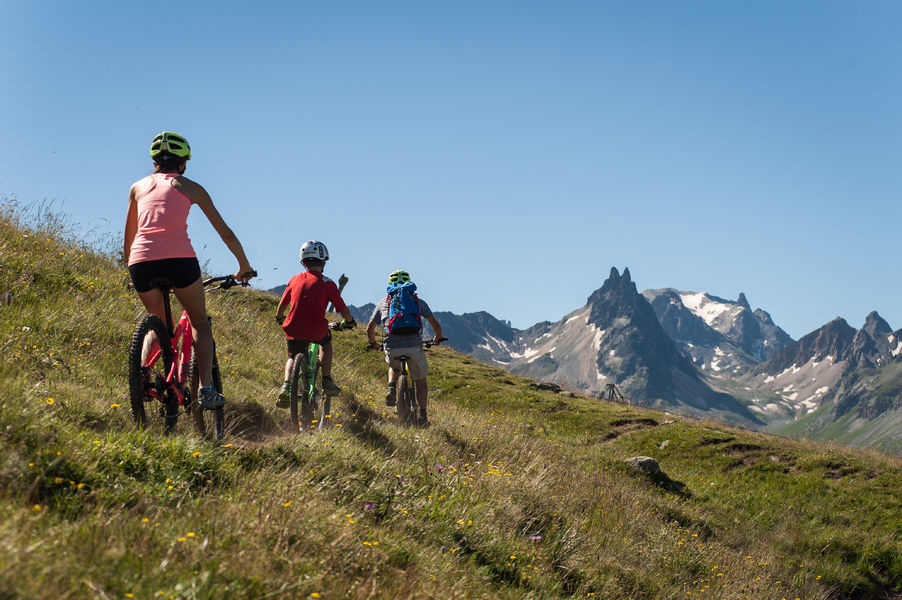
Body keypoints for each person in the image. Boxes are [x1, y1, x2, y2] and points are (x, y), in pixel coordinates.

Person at [124, 131, 255, 409]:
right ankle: (206, 388)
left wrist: (132, 271)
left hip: (140, 261)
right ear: (182, 163)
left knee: (156, 322)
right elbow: (226, 233)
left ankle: (143, 372)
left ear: (155, 161)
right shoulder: (190, 187)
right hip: (179, 261)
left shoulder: (137, 188)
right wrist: (243, 265)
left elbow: (129, 239)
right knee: (199, 323)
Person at [276, 240, 355, 406]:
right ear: (323, 261)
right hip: (316, 330)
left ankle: (286, 386)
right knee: (326, 343)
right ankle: (326, 380)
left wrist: (278, 317)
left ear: (303, 262)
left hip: (293, 327)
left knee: (292, 356)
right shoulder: (328, 283)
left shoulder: (294, 279)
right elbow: (343, 309)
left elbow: (282, 304)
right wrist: (350, 321)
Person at [366, 269, 443, 425]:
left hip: (391, 346)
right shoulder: (417, 302)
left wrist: (373, 343)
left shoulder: (383, 303)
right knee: (421, 381)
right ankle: (423, 415)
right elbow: (435, 324)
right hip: (414, 345)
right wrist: (437, 338)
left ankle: (391, 388)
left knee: (394, 368)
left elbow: (369, 328)